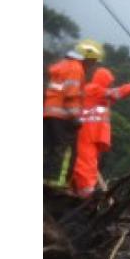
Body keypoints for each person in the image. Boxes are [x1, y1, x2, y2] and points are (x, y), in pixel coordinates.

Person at [72, 68, 130, 197]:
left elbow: (112, 95)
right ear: (102, 80)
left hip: (92, 132)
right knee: (86, 161)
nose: (110, 85)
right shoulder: (93, 89)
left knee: (89, 161)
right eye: (109, 82)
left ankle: (83, 187)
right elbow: (116, 93)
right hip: (88, 131)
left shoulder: (99, 94)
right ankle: (85, 190)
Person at [44, 39, 102, 187]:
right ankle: (57, 182)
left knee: (48, 146)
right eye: (93, 61)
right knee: (66, 150)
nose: (93, 65)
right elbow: (71, 95)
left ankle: (45, 177)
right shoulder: (76, 69)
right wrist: (76, 118)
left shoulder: (63, 65)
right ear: (87, 58)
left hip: (48, 113)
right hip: (62, 116)